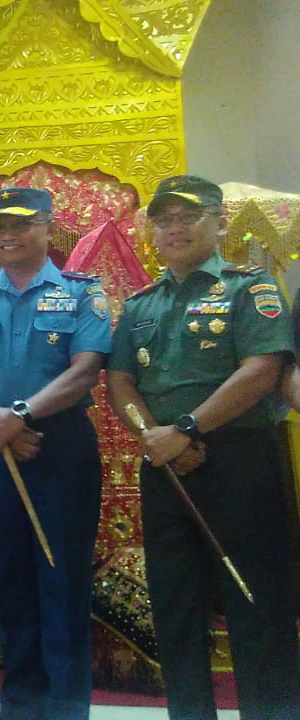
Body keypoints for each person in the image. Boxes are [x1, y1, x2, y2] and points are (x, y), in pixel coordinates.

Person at [106, 175, 300, 720]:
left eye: (187, 216)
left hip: (240, 459)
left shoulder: (251, 287)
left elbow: (263, 370)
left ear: (219, 221)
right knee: (174, 605)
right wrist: (154, 437)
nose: (174, 228)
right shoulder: (141, 304)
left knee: (258, 603)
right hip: (164, 465)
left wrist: (186, 429)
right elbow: (119, 382)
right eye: (163, 219)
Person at [0, 188, 111, 720]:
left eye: (21, 224)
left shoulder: (82, 293)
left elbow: (85, 368)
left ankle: (64, 708)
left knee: (62, 580)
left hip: (59, 449)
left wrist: (21, 416)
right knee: (9, 579)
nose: (7, 235)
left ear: (47, 227)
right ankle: (18, 704)